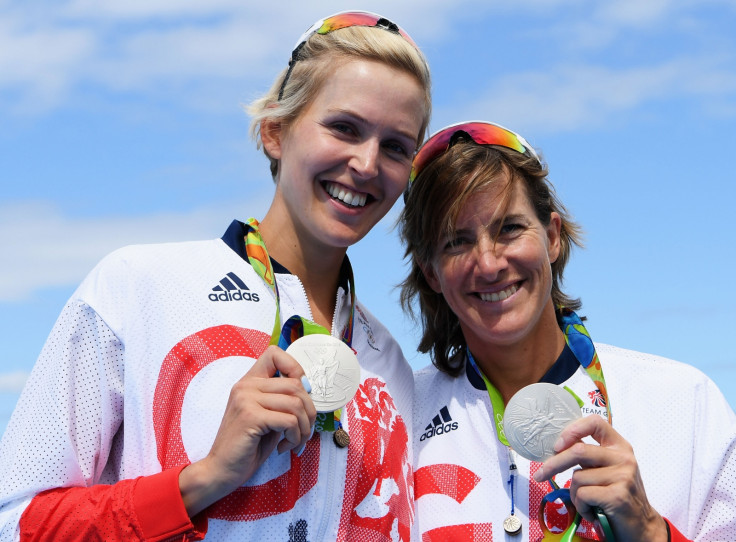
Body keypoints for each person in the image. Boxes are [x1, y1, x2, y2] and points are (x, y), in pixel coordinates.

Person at [0, 11, 431, 541]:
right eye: (344, 127)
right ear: (275, 131)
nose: (367, 163)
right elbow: (15, 524)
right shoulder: (138, 286)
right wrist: (203, 479)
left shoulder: (389, 363)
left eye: (395, 147)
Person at [399, 121, 736, 541]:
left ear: (552, 237)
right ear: (431, 272)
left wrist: (651, 531)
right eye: (456, 241)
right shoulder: (398, 420)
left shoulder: (684, 403)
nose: (488, 264)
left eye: (508, 228)